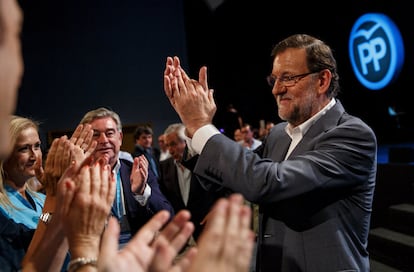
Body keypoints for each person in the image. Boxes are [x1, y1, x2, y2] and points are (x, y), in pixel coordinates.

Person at [163, 33, 377, 271]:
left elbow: (266, 182)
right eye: (274, 79)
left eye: (288, 78)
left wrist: (202, 126)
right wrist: (194, 129)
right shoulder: (277, 135)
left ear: (322, 81)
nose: (276, 89)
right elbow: (227, 181)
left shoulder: (353, 135)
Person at [79, 107, 174, 246]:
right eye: (96, 134)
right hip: (93, 255)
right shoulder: (76, 176)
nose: (103, 140)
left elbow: (167, 215)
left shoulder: (137, 170)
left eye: (109, 133)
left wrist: (142, 192)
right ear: (85, 139)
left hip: (135, 255)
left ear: (120, 138)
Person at [159, 123, 231, 241]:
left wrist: (216, 210)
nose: (170, 150)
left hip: (208, 231)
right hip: (181, 235)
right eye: (167, 146)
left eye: (173, 144)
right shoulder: (163, 167)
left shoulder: (205, 163)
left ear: (186, 142)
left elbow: (225, 190)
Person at [0, 115, 46, 270]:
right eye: (24, 148)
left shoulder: (42, 198)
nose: (34, 156)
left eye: (37, 146)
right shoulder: (2, 208)